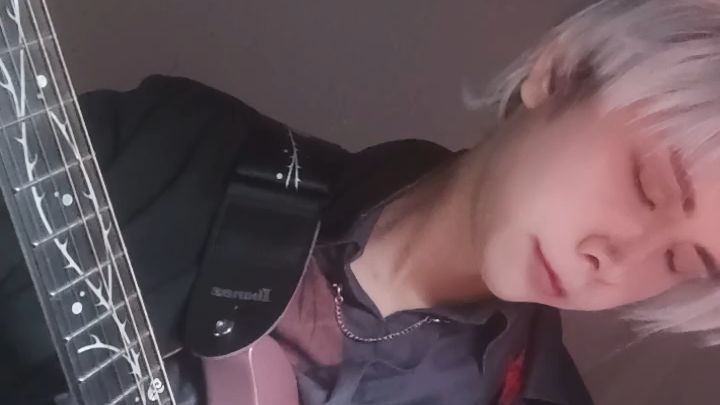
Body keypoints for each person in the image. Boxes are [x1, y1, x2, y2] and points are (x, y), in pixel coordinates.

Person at [3, 0, 720, 403]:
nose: (616, 257)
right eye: (648, 185)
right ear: (559, 71)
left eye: (680, 262)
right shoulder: (170, 142)